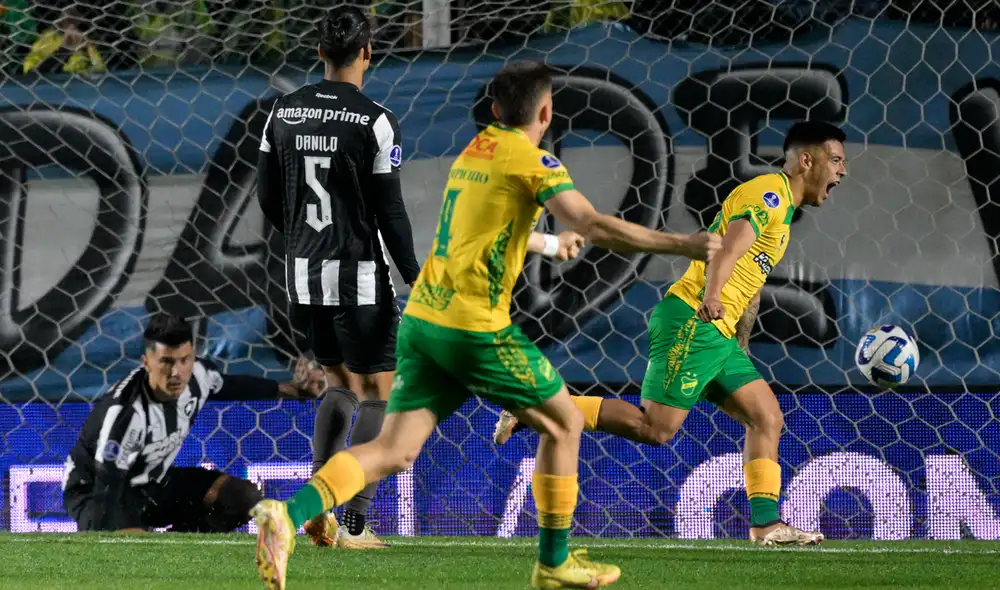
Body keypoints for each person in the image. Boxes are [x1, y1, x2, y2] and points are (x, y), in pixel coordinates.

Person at [250, 58, 719, 590]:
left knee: (394, 451)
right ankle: (553, 562)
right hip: (475, 327)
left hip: (425, 320)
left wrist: (544, 241)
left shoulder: (476, 152)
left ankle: (286, 517)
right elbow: (591, 222)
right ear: (546, 111)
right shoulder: (535, 161)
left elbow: (483, 232)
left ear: (495, 111)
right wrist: (684, 243)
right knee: (563, 423)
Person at [256, 5, 588, 551]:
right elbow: (389, 211)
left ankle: (318, 511)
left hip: (302, 274)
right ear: (368, 52)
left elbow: (269, 195)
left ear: (320, 52)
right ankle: (354, 525)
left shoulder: (282, 112)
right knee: (378, 397)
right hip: (359, 275)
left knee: (338, 383)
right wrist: (416, 275)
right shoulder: (374, 119)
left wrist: (302, 240)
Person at [494, 120, 847, 546]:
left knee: (766, 416)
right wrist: (713, 296)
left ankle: (766, 525)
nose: (842, 172)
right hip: (694, 319)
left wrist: (739, 342)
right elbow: (728, 248)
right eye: (837, 160)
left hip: (719, 333)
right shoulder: (769, 194)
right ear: (807, 160)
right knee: (655, 430)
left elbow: (750, 283)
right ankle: (540, 406)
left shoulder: (784, 214)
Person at [62, 313, 326, 533]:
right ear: (147, 363)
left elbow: (231, 386)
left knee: (244, 498)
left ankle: (180, 547)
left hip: (154, 485)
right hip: (96, 493)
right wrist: (129, 533)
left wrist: (291, 389)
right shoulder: (126, 415)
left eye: (184, 360)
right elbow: (107, 490)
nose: (176, 372)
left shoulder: (199, 375)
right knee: (133, 549)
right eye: (166, 362)